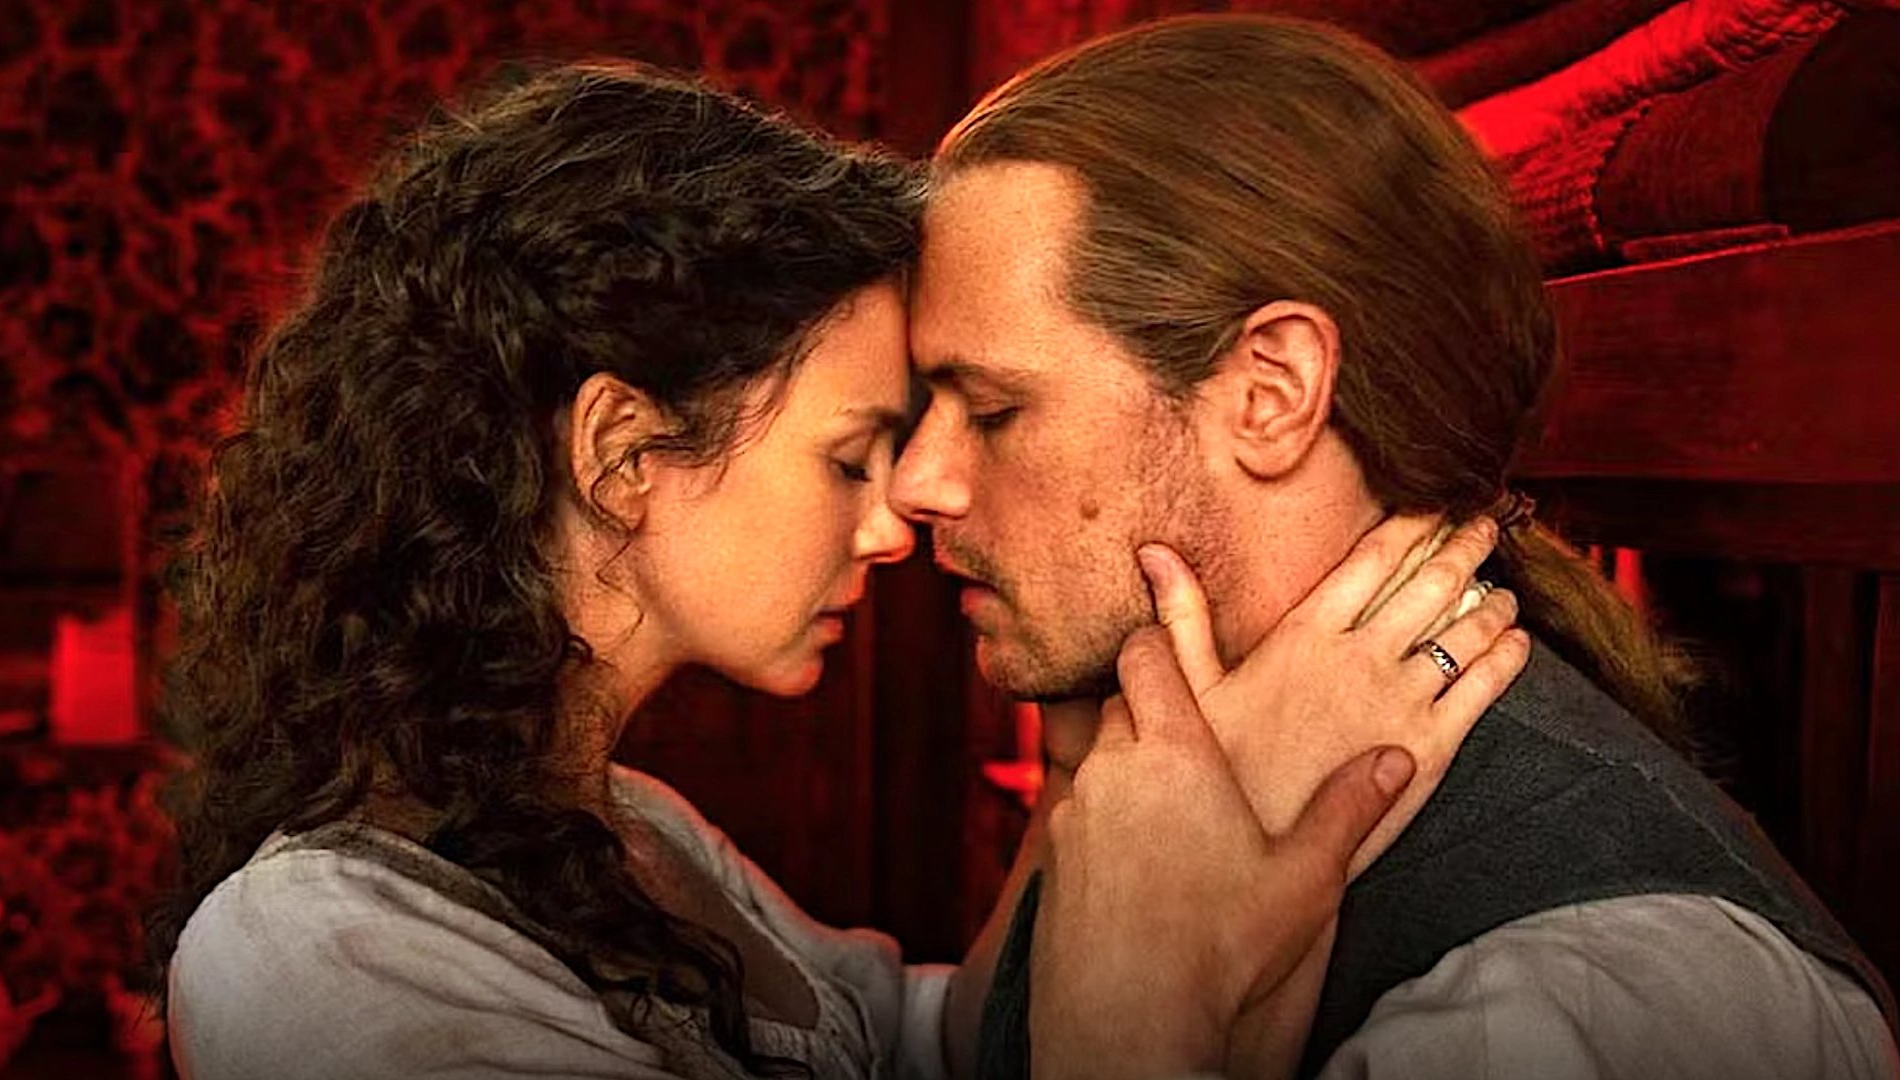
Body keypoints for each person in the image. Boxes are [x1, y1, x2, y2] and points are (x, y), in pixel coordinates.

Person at [148, 61, 1525, 1080]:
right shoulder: (317, 951)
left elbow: (929, 1051)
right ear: (624, 453)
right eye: (851, 454)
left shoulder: (640, 834)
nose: (895, 520)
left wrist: (1093, 759)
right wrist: (1136, 1034)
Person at [887, 13, 1900, 1080]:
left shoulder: (1592, 998)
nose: (917, 482)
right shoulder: (1142, 767)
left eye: (992, 409)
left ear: (1273, 392)